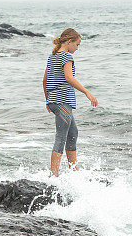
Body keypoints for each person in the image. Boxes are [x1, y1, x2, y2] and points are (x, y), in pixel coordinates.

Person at [42, 28, 98, 175]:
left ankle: (74, 171)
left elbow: (44, 80)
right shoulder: (66, 57)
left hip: (55, 100)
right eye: (77, 45)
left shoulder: (52, 56)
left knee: (73, 133)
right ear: (69, 42)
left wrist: (48, 100)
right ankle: (53, 174)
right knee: (61, 136)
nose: (77, 48)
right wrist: (87, 92)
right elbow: (69, 78)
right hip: (63, 100)